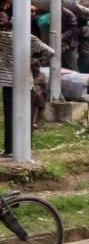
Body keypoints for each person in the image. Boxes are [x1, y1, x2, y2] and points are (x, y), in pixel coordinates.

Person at [0, 13, 55, 155]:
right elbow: (50, 51)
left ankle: (10, 149)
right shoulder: (31, 38)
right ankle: (26, 147)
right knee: (27, 116)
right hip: (26, 82)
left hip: (8, 82)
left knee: (10, 116)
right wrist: (37, 62)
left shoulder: (4, 37)